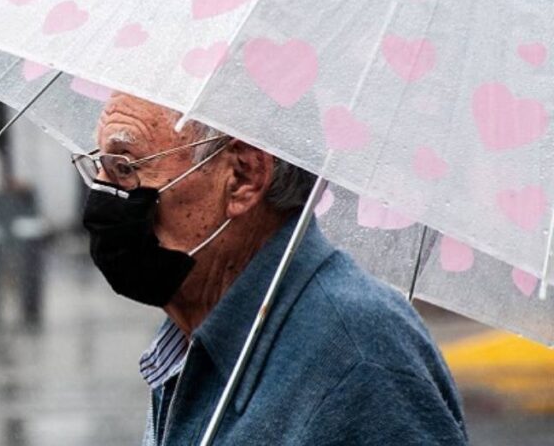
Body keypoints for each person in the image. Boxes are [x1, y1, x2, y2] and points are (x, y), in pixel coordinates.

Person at [78, 93, 467, 446]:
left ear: (243, 177)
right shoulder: (195, 333)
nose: (100, 191)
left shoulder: (359, 356)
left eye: (124, 167)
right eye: (100, 165)